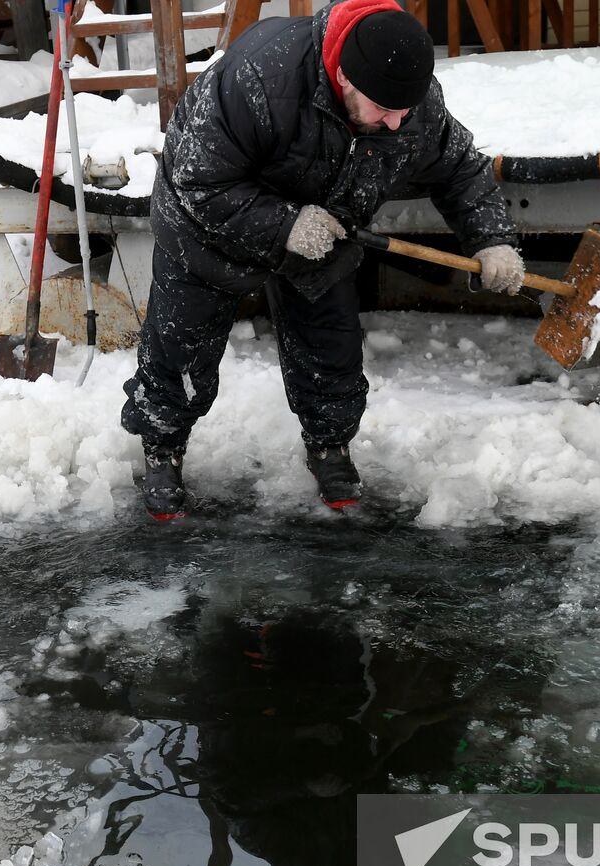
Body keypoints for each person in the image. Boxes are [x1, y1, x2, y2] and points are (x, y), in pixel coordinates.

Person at [120, 0, 524, 520]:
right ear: (342, 77)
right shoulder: (260, 76)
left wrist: (491, 239)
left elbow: (460, 168)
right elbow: (199, 179)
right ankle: (162, 446)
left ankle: (330, 445)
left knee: (331, 346)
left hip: (327, 225)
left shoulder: (409, 104)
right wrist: (285, 224)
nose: (397, 123)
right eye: (383, 110)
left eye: (405, 111)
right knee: (181, 345)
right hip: (208, 225)